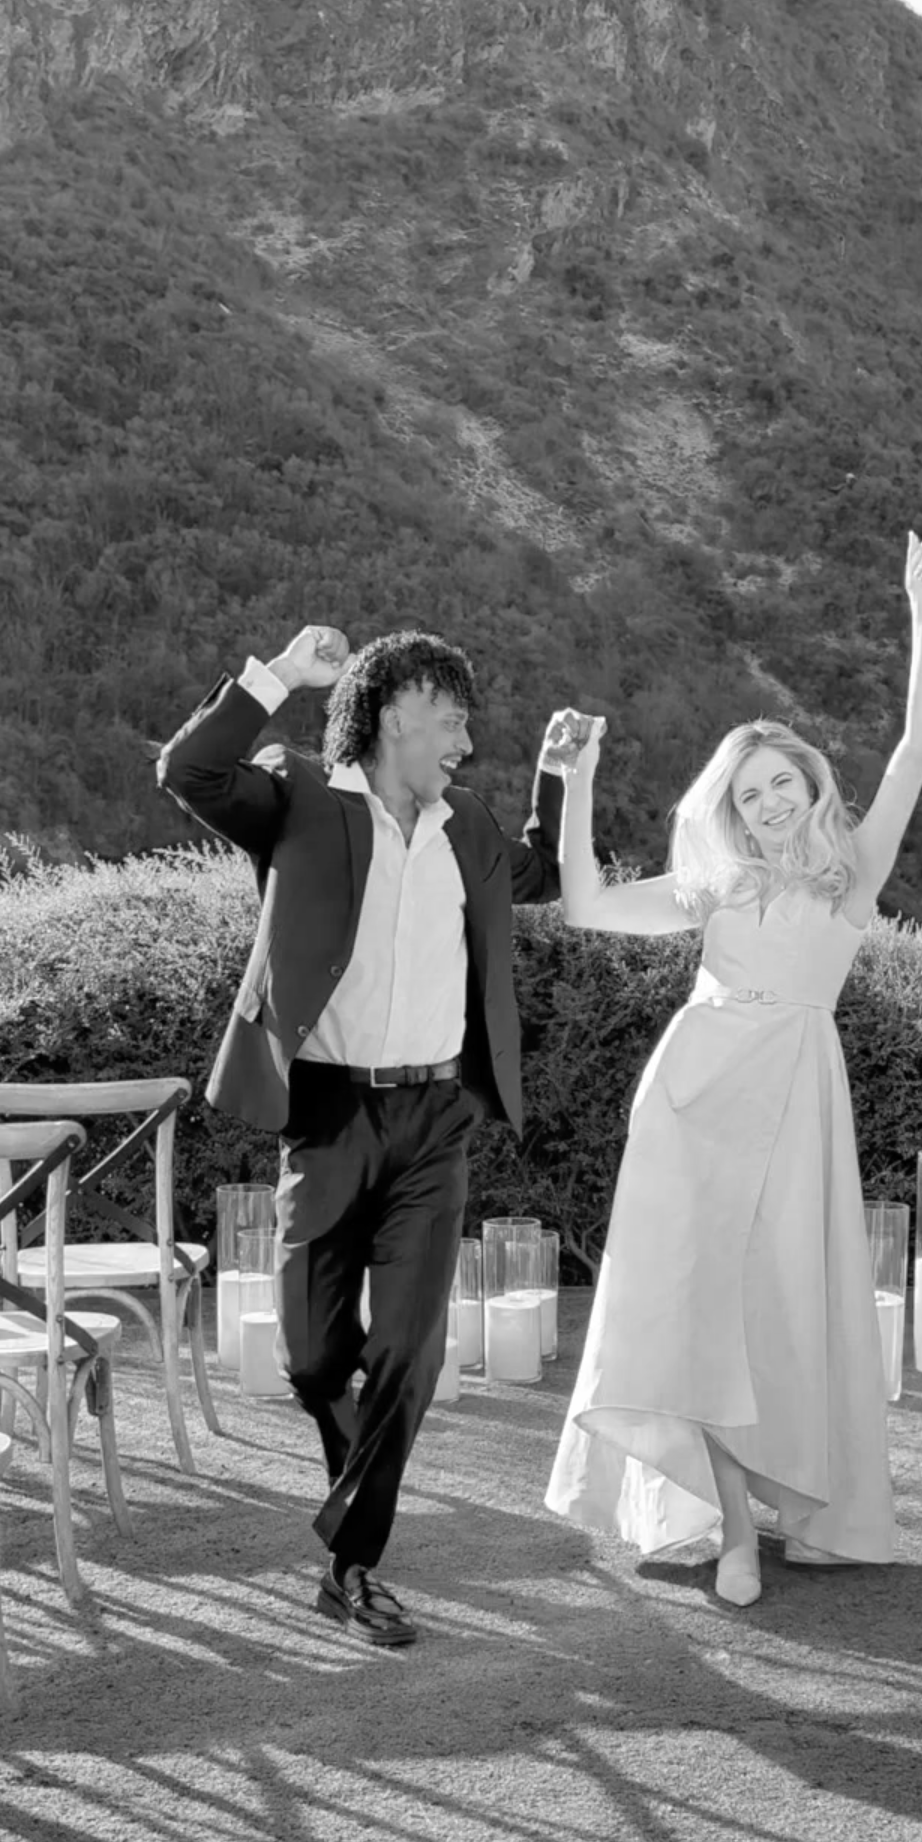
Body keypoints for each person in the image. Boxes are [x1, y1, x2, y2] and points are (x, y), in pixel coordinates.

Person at [544, 532, 922, 1606]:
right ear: (730, 804)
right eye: (751, 791)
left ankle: (786, 1502)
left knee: (776, 1306)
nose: (768, 802)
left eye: (783, 783)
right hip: (689, 1100)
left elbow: (915, 747)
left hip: (796, 1097)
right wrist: (577, 782)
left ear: (813, 787)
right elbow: (585, 905)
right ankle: (730, 1528)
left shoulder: (851, 872)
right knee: (693, 1313)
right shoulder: (711, 886)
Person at [157, 624, 566, 1650]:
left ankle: (353, 1564)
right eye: (450, 719)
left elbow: (539, 872)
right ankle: (358, 1472)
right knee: (308, 1357)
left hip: (436, 1119)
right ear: (394, 709)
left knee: (407, 1349)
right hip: (329, 1112)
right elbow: (188, 768)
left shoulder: (466, 823)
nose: (465, 744)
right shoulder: (297, 796)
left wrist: (557, 777)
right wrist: (283, 678)